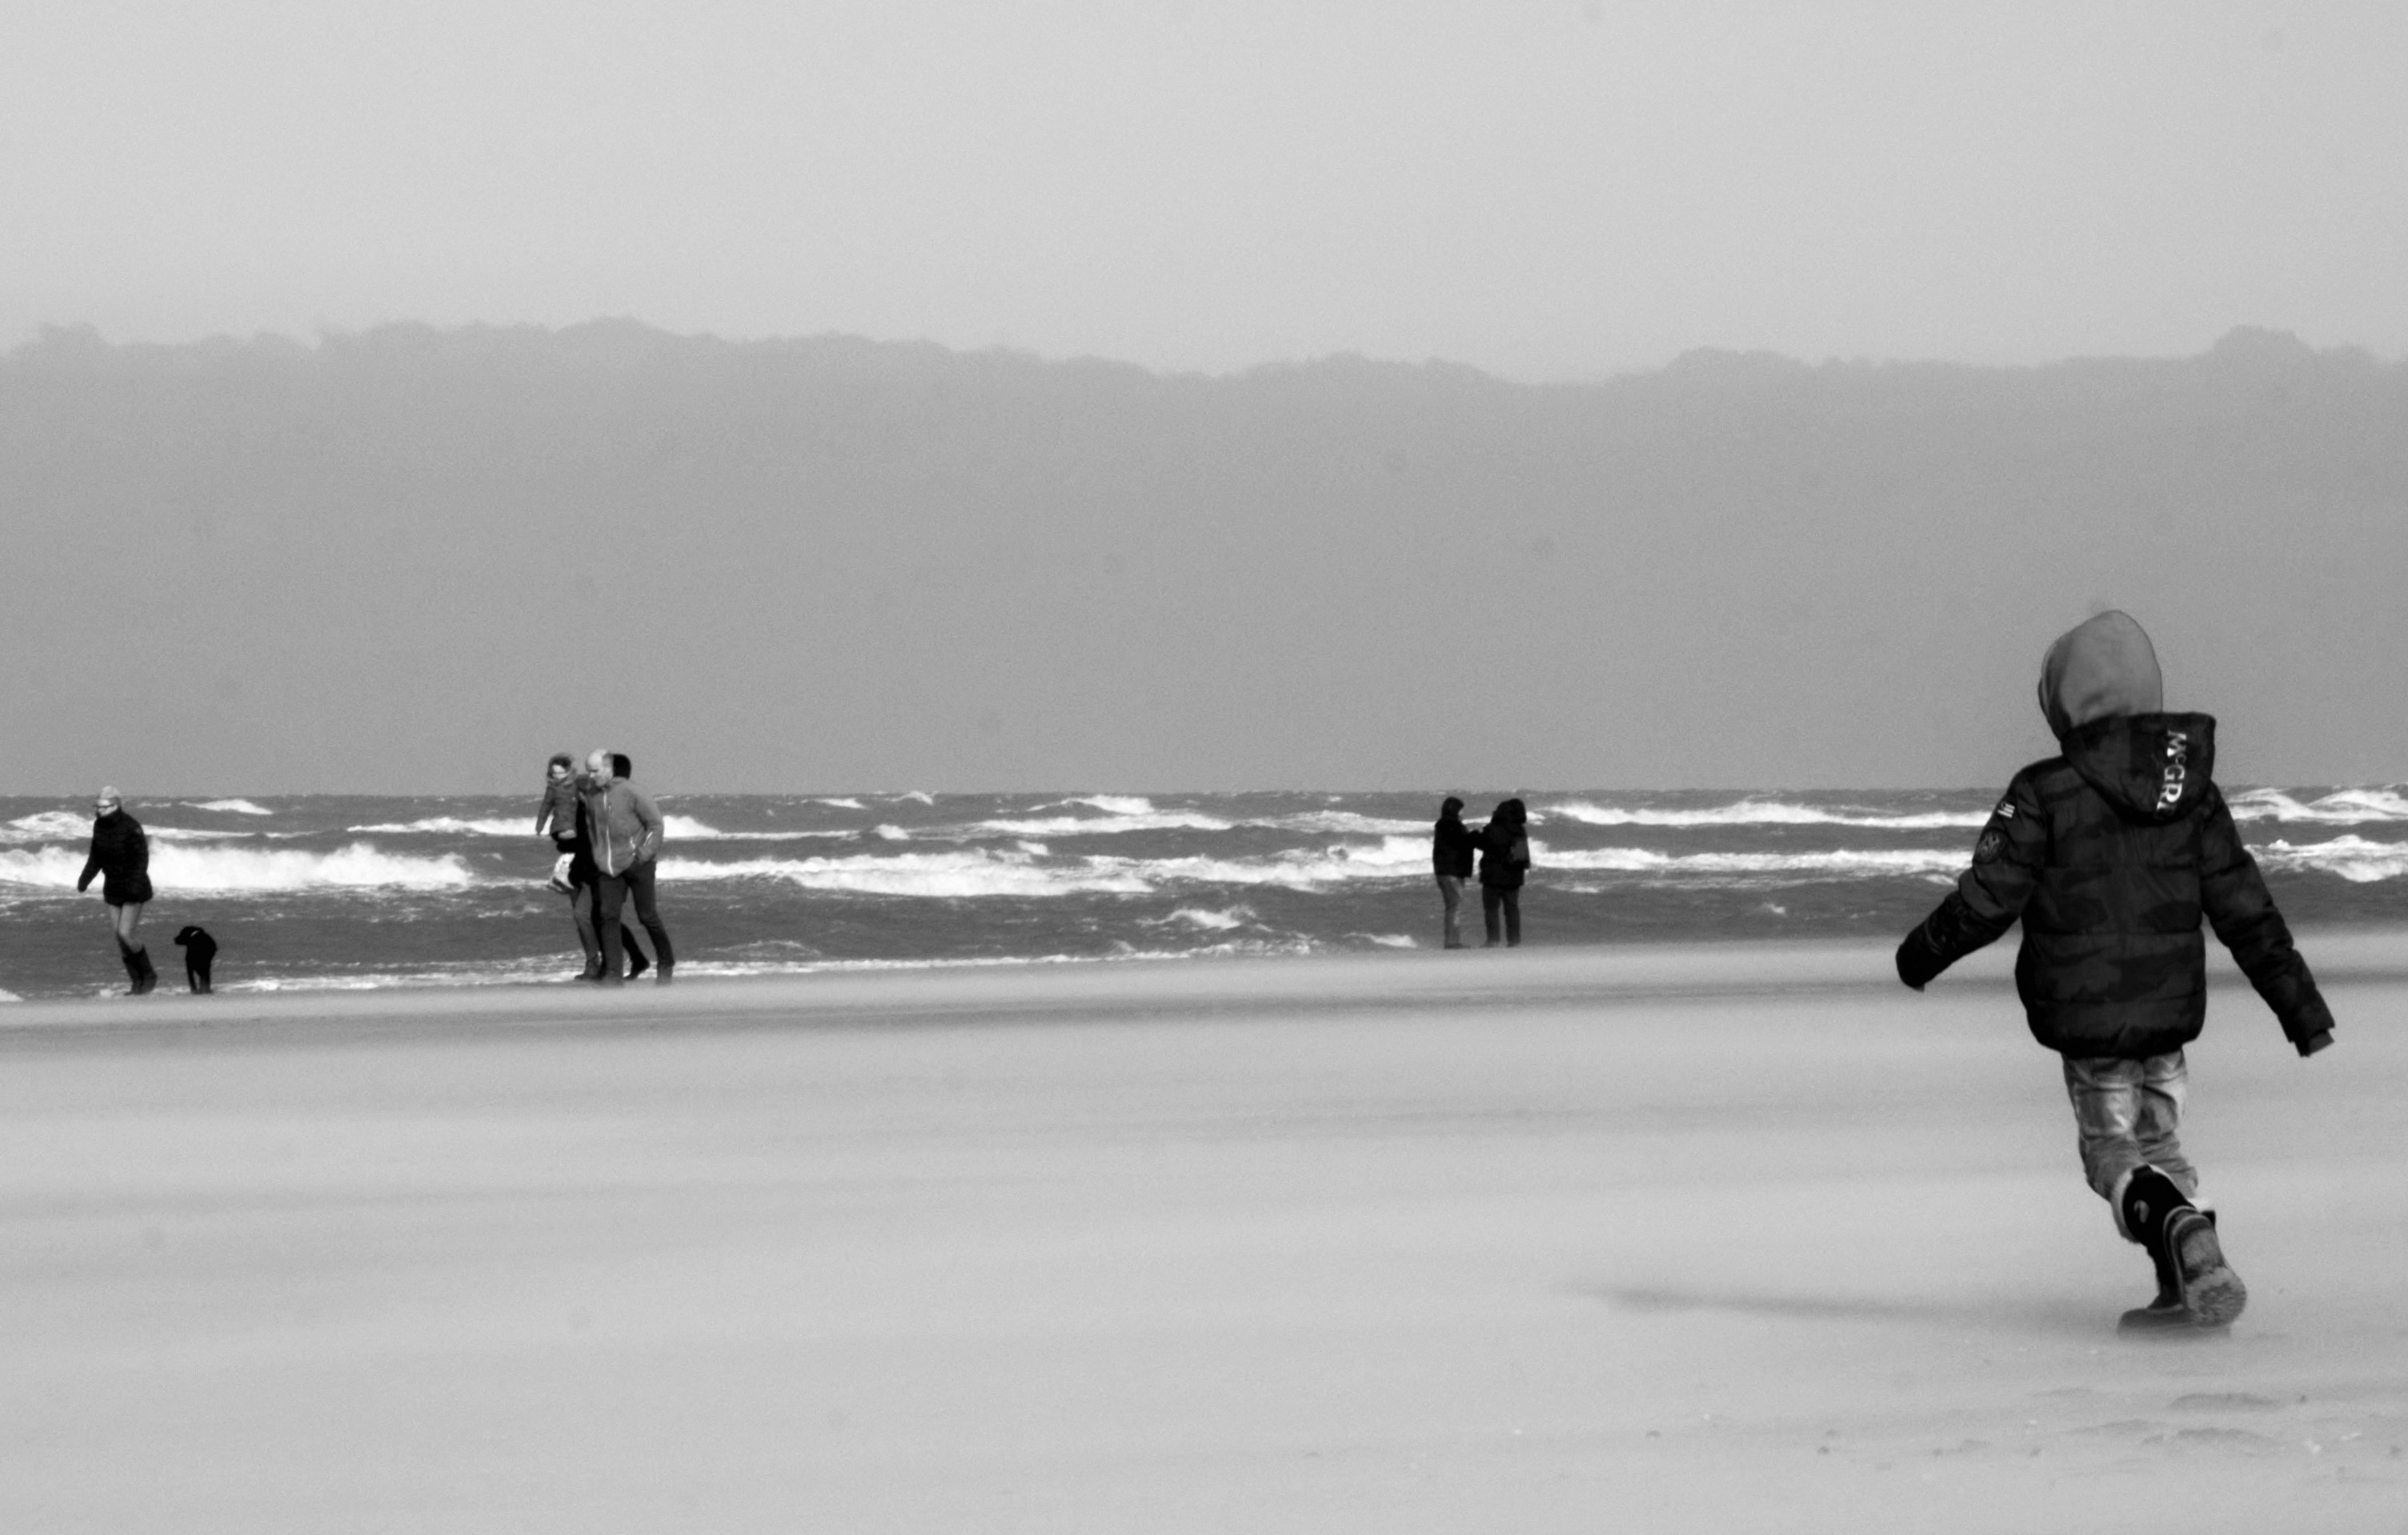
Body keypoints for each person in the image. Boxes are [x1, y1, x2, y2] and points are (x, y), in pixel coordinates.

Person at [1894, 611, 2334, 1332]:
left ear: (2063, 700)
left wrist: (1920, 955)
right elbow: (2246, 910)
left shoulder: (2043, 790)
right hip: (2168, 1018)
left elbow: (1988, 897)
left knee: (2111, 1155)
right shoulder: (2191, 791)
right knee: (2159, 1143)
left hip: (2089, 1022)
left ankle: (2177, 1231)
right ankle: (2183, 1281)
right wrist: (2303, 1012)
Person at [581, 747, 673, 984]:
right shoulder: (592, 795)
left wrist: (644, 854)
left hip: (638, 864)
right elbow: (593, 828)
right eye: (588, 771)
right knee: (607, 916)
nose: (590, 776)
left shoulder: (633, 792)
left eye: (594, 771)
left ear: (608, 768)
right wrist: (597, 854)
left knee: (647, 916)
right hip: (608, 867)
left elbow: (656, 826)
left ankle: (666, 962)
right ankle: (613, 973)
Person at [76, 787, 156, 994]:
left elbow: (142, 859)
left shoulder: (131, 826)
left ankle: (148, 975)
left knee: (125, 933)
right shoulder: (99, 826)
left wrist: (135, 885)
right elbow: (96, 857)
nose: (99, 810)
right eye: (97, 806)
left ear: (115, 806)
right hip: (113, 888)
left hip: (134, 888)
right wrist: (85, 879)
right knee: (119, 939)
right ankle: (136, 982)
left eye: (103, 807)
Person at [535, 752, 603, 978]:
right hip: (573, 866)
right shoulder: (570, 813)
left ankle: (605, 961)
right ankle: (593, 962)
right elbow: (552, 819)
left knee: (584, 916)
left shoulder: (593, 814)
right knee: (581, 916)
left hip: (592, 869)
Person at [1476, 797, 1532, 948]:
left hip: (1492, 876)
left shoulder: (1493, 828)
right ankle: (1514, 941)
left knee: (1491, 910)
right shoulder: (1520, 830)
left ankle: (1493, 940)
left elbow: (1480, 843)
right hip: (1514, 876)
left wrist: (1478, 832)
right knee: (1512, 910)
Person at [1432, 796, 1478, 948]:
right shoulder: (1451, 826)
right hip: (1452, 872)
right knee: (1454, 908)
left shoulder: (1443, 826)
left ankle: (1452, 941)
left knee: (1452, 907)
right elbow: (1461, 843)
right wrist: (1476, 835)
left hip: (1445, 872)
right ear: (1454, 810)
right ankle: (1452, 942)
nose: (1462, 812)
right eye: (1460, 809)